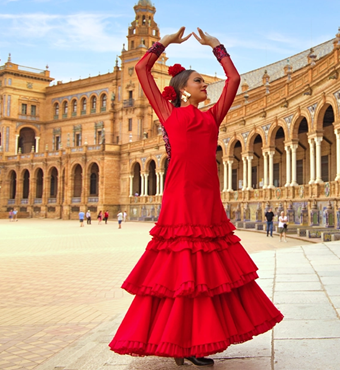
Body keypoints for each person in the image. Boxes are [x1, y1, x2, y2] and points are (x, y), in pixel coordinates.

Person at [109, 28, 283, 366]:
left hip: (207, 199)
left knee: (205, 273)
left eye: (204, 82)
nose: (205, 86)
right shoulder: (168, 113)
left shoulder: (212, 117)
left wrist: (218, 48)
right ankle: (181, 344)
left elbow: (232, 80)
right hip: (179, 199)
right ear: (182, 90)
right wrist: (165, 45)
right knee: (180, 271)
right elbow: (141, 71)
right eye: (199, 82)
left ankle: (194, 342)